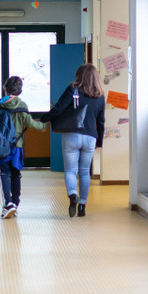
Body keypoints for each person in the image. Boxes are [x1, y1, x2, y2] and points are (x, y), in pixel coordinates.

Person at [48, 63, 107, 217]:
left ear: (78, 75)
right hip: (90, 137)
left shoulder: (73, 89)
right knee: (85, 172)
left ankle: (73, 193)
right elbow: (101, 121)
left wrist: (44, 118)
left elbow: (59, 108)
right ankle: (82, 205)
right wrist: (99, 140)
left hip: (72, 135)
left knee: (71, 170)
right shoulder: (100, 95)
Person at [0, 76, 45, 219]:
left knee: (4, 174)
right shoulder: (22, 106)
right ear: (20, 90)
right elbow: (32, 124)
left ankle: (7, 204)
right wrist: (45, 125)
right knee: (16, 175)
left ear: (5, 88)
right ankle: (15, 203)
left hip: (1, 147)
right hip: (17, 147)